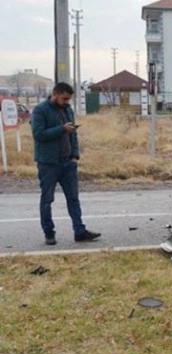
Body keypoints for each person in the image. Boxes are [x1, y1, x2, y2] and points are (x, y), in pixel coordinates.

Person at [31, 82, 101, 245]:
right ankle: (49, 232)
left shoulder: (68, 110)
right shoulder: (41, 110)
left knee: (73, 199)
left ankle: (79, 231)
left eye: (69, 99)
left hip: (68, 163)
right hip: (48, 163)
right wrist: (61, 129)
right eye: (64, 98)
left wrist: (75, 154)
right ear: (55, 94)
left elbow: (73, 135)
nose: (67, 101)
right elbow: (38, 134)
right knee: (47, 199)